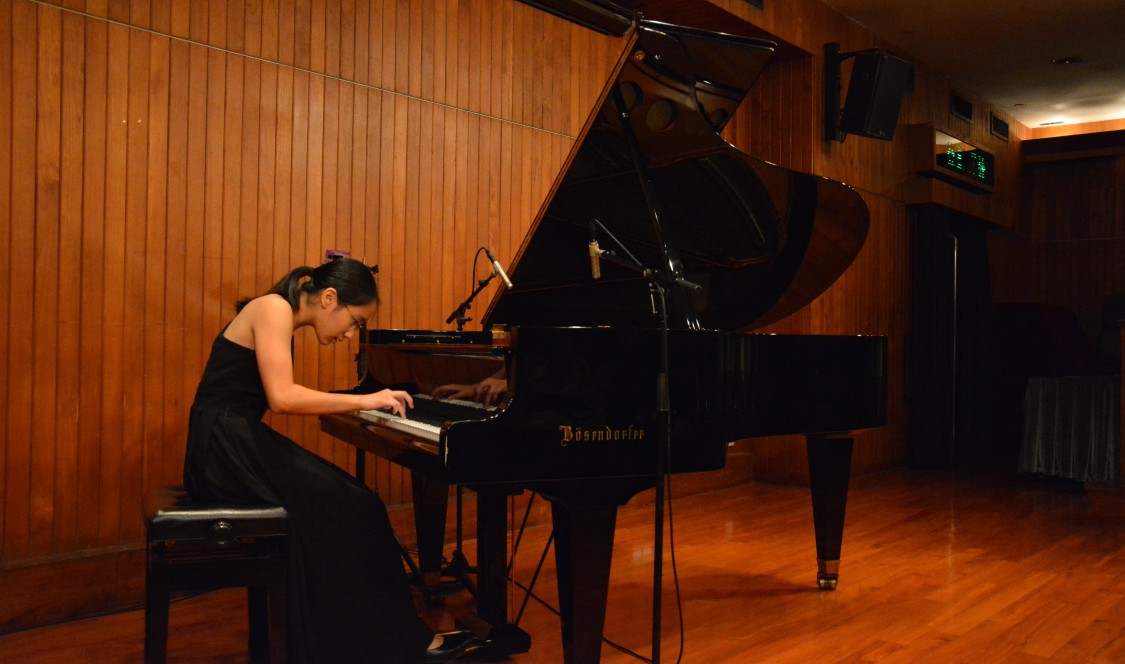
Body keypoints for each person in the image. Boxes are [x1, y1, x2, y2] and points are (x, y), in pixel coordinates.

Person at [182, 258, 480, 663]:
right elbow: (283, 398)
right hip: (224, 449)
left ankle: (342, 642)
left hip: (228, 443)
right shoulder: (273, 309)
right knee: (359, 506)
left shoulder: (277, 310)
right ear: (328, 298)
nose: (350, 334)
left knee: (352, 506)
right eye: (355, 321)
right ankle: (390, 644)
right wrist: (365, 400)